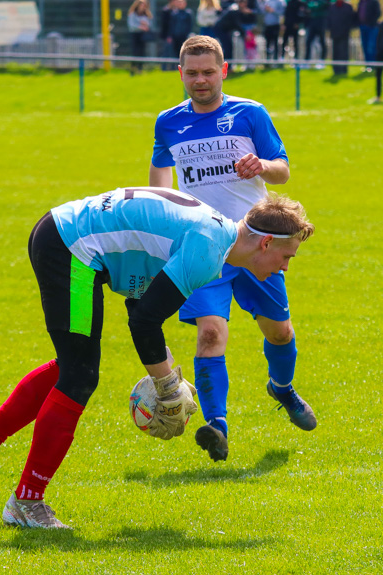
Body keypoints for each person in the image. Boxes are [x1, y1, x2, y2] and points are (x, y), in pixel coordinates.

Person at [0, 187, 314, 527]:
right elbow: (144, 322)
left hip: (63, 234)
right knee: (78, 375)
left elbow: (139, 300)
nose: (285, 268)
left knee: (73, 368)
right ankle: (27, 502)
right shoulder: (208, 248)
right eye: (287, 257)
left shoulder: (213, 234)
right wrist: (168, 387)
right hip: (70, 246)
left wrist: (165, 369)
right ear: (266, 242)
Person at [148, 36, 316, 463]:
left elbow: (283, 171)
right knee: (210, 335)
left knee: (279, 332)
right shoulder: (168, 122)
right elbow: (159, 181)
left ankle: (282, 388)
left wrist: (262, 165)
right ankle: (216, 426)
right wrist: (158, 228)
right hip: (203, 247)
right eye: (192, 72)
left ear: (223, 71)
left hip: (257, 244)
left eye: (208, 72)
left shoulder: (250, 113)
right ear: (180, 73)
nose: (200, 80)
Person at [328, 0, 357, 74]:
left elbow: (352, 19)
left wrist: (348, 29)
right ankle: (336, 69)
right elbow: (329, 20)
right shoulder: (332, 7)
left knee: (344, 52)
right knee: (336, 52)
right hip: (335, 33)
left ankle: (344, 69)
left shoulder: (348, 7)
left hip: (344, 33)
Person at [164, 0, 194, 66]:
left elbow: (190, 25)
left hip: (184, 36)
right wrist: (170, 36)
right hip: (175, 37)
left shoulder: (188, 13)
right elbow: (171, 26)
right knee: (175, 52)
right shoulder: (174, 13)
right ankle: (176, 66)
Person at [128, 0, 154, 74]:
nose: (143, 7)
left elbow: (150, 24)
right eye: (142, 5)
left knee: (142, 52)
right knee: (135, 52)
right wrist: (140, 26)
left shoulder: (146, 14)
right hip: (135, 35)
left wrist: (146, 25)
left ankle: (140, 69)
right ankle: (133, 69)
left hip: (143, 35)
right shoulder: (133, 14)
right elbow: (131, 25)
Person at [357, 0, 381, 68]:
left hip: (372, 27)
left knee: (371, 46)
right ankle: (368, 65)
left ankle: (373, 65)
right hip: (362, 26)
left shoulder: (374, 1)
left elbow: (378, 13)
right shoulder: (361, 2)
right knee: (364, 46)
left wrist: (371, 22)